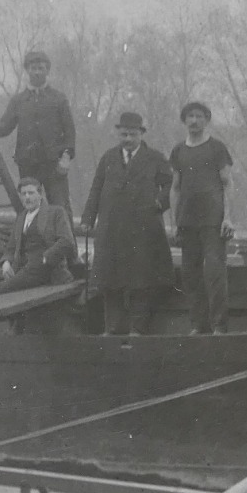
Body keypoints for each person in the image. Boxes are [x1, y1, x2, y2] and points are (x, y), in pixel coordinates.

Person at [79, 111, 175, 336]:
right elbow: (96, 188)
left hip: (143, 229)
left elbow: (173, 186)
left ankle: (137, 329)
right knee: (108, 281)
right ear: (118, 133)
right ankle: (111, 329)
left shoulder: (155, 158)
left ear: (141, 134)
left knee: (140, 282)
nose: (128, 139)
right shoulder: (108, 158)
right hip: (112, 228)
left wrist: (159, 204)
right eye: (124, 134)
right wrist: (87, 218)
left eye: (132, 134)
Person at [0, 49, 76, 216]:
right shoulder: (18, 100)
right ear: (27, 70)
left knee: (60, 207)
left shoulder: (59, 99)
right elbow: (5, 125)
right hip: (28, 165)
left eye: (41, 68)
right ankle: (32, 243)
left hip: (54, 165)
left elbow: (69, 132)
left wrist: (66, 158)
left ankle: (66, 242)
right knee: (31, 208)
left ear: (47, 70)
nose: (37, 72)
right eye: (33, 68)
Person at [169, 101, 234, 335]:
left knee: (215, 273)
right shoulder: (178, 151)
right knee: (190, 274)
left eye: (198, 116)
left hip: (213, 221)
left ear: (206, 119)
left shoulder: (217, 148)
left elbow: (227, 184)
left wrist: (228, 217)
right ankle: (199, 325)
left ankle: (219, 326)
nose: (194, 121)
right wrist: (175, 222)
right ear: (184, 120)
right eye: (189, 116)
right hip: (187, 221)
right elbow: (175, 188)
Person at [0, 178, 75, 297]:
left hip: (45, 269)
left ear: (40, 194)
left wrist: (46, 258)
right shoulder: (21, 217)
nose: (27, 197)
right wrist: (6, 262)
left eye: (31, 193)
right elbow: (11, 246)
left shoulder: (55, 212)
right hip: (22, 266)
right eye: (24, 194)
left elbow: (67, 241)